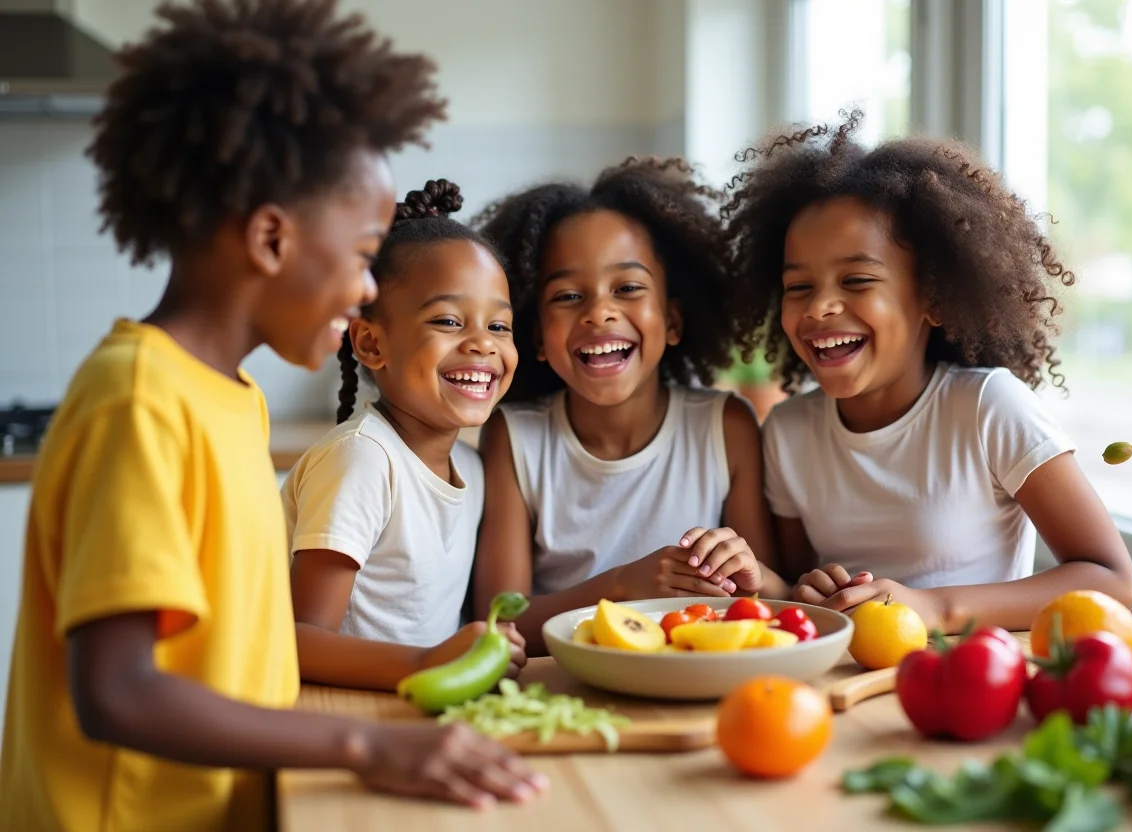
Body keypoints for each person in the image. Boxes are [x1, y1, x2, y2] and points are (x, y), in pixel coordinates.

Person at [0, 2, 544, 828]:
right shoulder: (139, 403)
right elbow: (117, 692)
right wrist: (363, 745)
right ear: (269, 238)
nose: (367, 288)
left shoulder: (230, 398)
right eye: (363, 255)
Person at [724, 109, 1132, 634]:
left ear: (933, 299)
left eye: (856, 280)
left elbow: (1113, 580)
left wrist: (934, 608)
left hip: (973, 678)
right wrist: (810, 591)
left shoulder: (989, 407)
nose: (819, 307)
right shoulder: (788, 431)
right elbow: (795, 586)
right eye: (798, 286)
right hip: (852, 687)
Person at [472, 157, 788, 652]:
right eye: (569, 295)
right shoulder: (514, 437)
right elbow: (498, 623)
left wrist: (754, 576)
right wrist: (620, 587)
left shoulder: (725, 427)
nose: (599, 311)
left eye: (628, 288)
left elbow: (772, 602)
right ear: (535, 336)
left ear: (674, 320)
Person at [282, 179, 526, 692]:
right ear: (371, 343)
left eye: (500, 327)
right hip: (345, 718)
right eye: (448, 321)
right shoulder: (363, 461)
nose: (482, 344)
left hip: (415, 711)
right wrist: (429, 662)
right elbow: (296, 640)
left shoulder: (475, 470)